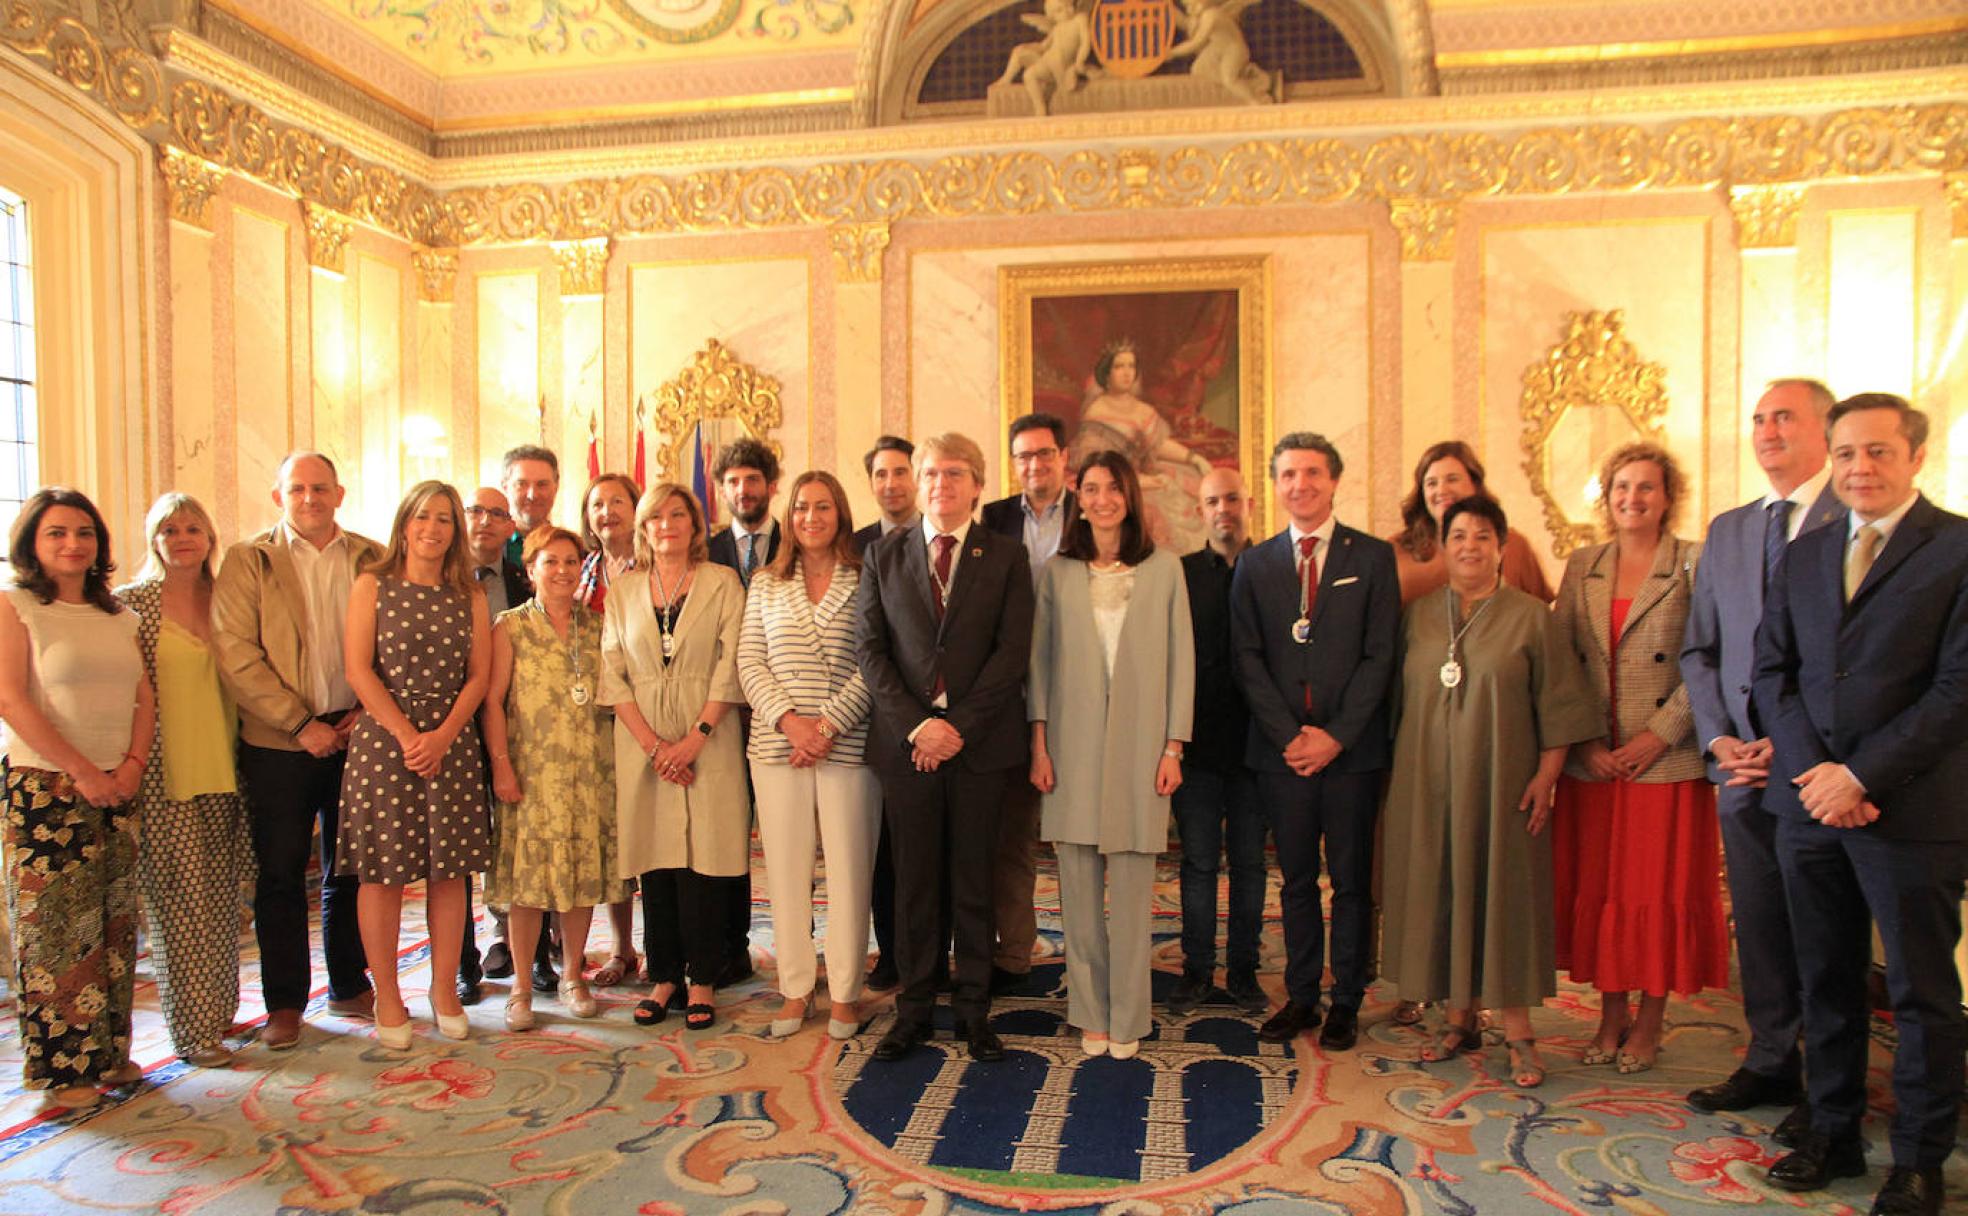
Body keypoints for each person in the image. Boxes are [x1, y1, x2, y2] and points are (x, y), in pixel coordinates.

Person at [1755, 393, 1968, 1216]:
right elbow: (1774, 674)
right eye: (1846, 454)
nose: (1860, 469)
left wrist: (1861, 778)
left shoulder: (1955, 549)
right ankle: (1833, 1131)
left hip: (1910, 813)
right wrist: (1816, 773)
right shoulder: (1805, 553)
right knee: (1827, 978)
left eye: (1878, 452)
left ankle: (1918, 1160)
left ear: (1915, 456)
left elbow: (1957, 692)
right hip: (1810, 806)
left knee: (1920, 995)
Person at [1380, 497, 1599, 1089]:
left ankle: (1520, 1032)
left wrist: (1547, 776)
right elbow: (1399, 706)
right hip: (1427, 783)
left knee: (1503, 896)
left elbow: (1559, 706)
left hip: (1504, 782)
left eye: (1482, 535)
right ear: (1444, 546)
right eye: (1458, 536)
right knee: (1442, 889)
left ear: (1503, 546)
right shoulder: (1420, 616)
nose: (1470, 546)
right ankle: (1456, 1018)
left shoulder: (1532, 618)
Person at [1679, 378, 1842, 1136]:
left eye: (1785, 416)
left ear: (1824, 431)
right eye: (1759, 418)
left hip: (1818, 769)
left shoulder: (1858, 520)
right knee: (1762, 922)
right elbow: (1700, 647)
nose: (1768, 430)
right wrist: (1718, 740)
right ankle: (1772, 1054)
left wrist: (1797, 741)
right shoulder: (1732, 528)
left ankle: (1832, 1080)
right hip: (1738, 765)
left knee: (1825, 926)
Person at [1550, 442, 1729, 1074]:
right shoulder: (1583, 565)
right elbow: (1564, 660)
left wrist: (1660, 733)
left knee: (1653, 894)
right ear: (1607, 496)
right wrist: (1585, 742)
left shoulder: (1695, 563)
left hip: (1666, 761)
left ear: (1667, 497)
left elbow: (1709, 655)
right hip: (1595, 763)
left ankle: (1650, 1023)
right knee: (1603, 890)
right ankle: (1609, 1014)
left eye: (1646, 488)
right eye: (1622, 487)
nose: (1633, 498)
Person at [858, 432, 1035, 1063]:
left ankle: (973, 1010)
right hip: (907, 750)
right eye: (931, 473)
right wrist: (918, 727)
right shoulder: (882, 555)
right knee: (914, 884)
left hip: (980, 747)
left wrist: (955, 727)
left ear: (978, 484)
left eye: (954, 474)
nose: (940, 484)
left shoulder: (1007, 556)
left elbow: (1011, 655)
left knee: (973, 880)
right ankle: (913, 1010)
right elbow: (871, 654)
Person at [1228, 433, 1398, 1051]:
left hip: (1351, 755)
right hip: (1281, 757)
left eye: (1313, 473)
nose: (1301, 484)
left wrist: (1335, 737)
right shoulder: (1256, 563)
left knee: (1352, 881)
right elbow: (1246, 658)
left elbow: (1380, 658)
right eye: (1289, 474)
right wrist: (1289, 737)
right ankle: (1302, 995)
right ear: (1275, 485)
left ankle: (1346, 999)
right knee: (1296, 880)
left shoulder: (1373, 558)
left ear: (1334, 481)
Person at [212, 451, 382, 1050]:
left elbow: (392, 639)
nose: (309, 498)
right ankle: (285, 1003)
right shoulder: (248, 560)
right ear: (279, 496)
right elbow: (236, 653)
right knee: (281, 874)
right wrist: (299, 723)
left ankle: (348, 982)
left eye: (320, 488)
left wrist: (371, 712)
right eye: (297, 489)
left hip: (358, 733)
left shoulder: (372, 558)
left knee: (354, 867)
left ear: (340, 493)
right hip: (277, 739)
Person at [1029, 451, 1194, 1058]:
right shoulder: (1058, 573)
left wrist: (1174, 745)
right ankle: (1089, 1012)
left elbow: (1183, 661)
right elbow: (1040, 666)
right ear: (1079, 499)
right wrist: (1039, 744)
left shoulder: (1165, 570)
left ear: (1129, 496)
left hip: (1140, 745)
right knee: (1076, 888)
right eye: (1091, 489)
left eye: (1112, 488)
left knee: (1130, 889)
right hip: (1070, 745)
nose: (1102, 499)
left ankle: (1129, 1016)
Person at [0, 488, 153, 1109]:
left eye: (84, 533)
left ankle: (109, 1055)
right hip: (45, 788)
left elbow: (144, 698)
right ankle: (64, 1075)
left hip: (119, 785)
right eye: (57, 533)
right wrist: (83, 772)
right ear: (33, 543)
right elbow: (12, 700)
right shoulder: (16, 608)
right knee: (56, 935)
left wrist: (133, 765)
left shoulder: (120, 615)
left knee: (115, 926)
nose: (72, 544)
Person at [337, 481, 493, 1049]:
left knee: (450, 873)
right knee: (384, 873)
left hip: (450, 741)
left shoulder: (469, 592)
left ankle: (444, 989)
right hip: (385, 742)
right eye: (423, 517)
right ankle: (388, 995)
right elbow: (358, 669)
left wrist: (445, 734)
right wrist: (408, 735)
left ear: (456, 532)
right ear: (404, 523)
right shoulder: (372, 584)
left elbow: (480, 675)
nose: (433, 528)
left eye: (445, 520)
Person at [600, 484, 749, 1032]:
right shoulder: (622, 591)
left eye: (678, 514)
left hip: (708, 734)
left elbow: (732, 662)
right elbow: (611, 675)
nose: (667, 524)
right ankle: (664, 975)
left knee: (705, 858)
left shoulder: (722, 582)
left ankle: (704, 977)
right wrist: (654, 747)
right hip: (642, 739)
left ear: (696, 523)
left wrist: (695, 737)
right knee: (656, 860)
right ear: (643, 528)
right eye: (656, 516)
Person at [738, 471, 879, 1041]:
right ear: (789, 517)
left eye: (823, 507)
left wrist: (826, 726)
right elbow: (750, 662)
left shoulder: (866, 577)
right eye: (801, 508)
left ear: (840, 514)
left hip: (848, 746)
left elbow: (875, 662)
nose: (811, 518)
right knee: (788, 874)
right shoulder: (766, 583)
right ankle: (797, 988)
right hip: (776, 747)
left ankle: (845, 992)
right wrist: (793, 725)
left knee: (848, 872)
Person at [116, 493, 251, 1068]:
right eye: (169, 529)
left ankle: (218, 1014)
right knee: (179, 906)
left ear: (210, 536)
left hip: (230, 767)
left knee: (223, 902)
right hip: (166, 776)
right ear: (154, 538)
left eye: (193, 526)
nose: (182, 537)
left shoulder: (229, 599)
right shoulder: (131, 606)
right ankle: (192, 1034)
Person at [483, 525, 624, 1031]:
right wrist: (501, 764)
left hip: (590, 773)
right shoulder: (509, 626)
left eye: (571, 561)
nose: (562, 570)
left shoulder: (598, 625)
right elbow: (493, 702)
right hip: (530, 774)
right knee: (529, 884)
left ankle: (572, 976)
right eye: (551, 561)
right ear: (531, 569)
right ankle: (521, 987)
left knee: (582, 878)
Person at [980, 412, 1078, 995]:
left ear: (1064, 457)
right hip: (1011, 700)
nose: (1034, 466)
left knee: (1081, 838)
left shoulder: (1091, 514)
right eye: (1024, 457)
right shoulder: (991, 520)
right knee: (1012, 837)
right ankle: (1016, 954)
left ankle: (1086, 956)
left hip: (1080, 696)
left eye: (1044, 454)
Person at [1167, 466, 1268, 1016]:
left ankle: (1246, 972)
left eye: (1232, 498)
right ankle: (1197, 971)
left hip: (1258, 748)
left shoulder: (1272, 568)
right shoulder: (1179, 574)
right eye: (1212, 501)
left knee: (1250, 866)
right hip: (1198, 747)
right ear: (1200, 510)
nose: (1223, 509)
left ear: (1248, 503)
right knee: (1200, 863)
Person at [851, 436, 929, 993]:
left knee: (932, 852)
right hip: (877, 719)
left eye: (901, 472)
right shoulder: (854, 547)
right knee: (884, 851)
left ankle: (931, 951)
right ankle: (892, 952)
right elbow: (864, 639)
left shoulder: (940, 539)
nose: (891, 484)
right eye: (881, 474)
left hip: (942, 722)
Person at [707, 437, 782, 987]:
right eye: (733, 481)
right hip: (720, 717)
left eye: (752, 479)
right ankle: (730, 947)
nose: (743, 489)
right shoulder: (705, 550)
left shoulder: (797, 541)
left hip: (783, 715)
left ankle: (795, 943)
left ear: (771, 485)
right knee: (728, 834)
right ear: (721, 490)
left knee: (787, 837)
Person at [571, 470, 646, 992]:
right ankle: (622, 947)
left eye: (617, 502)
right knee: (610, 837)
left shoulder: (652, 565)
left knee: (649, 832)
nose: (607, 513)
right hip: (592, 720)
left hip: (648, 713)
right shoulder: (582, 570)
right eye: (598, 504)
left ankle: (664, 944)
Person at [461, 486, 537, 1003]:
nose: (485, 521)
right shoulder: (435, 577)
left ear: (511, 528)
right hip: (451, 727)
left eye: (497, 514)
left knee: (519, 839)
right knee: (457, 852)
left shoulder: (521, 579)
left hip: (513, 727)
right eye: (475, 511)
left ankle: (530, 950)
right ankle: (466, 962)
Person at [1070, 341, 1215, 551]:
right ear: (1107, 373)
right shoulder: (1097, 412)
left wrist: (1194, 458)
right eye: (1120, 367)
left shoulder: (1143, 410)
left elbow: (1158, 445)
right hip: (1117, 484)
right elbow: (1098, 467)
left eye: (1131, 366)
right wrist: (1140, 480)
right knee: (1154, 511)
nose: (1127, 373)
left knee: (1191, 492)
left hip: (1146, 474)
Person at [1389, 441, 1553, 606]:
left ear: (1475, 484)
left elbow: (1542, 615)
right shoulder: (1394, 549)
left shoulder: (1514, 545)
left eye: (1452, 479)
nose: (1441, 490)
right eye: (1432, 483)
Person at [501, 445, 561, 570]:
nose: (532, 495)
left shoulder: (573, 550)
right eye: (521, 484)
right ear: (505, 487)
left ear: (556, 487)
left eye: (542, 484)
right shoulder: (488, 547)